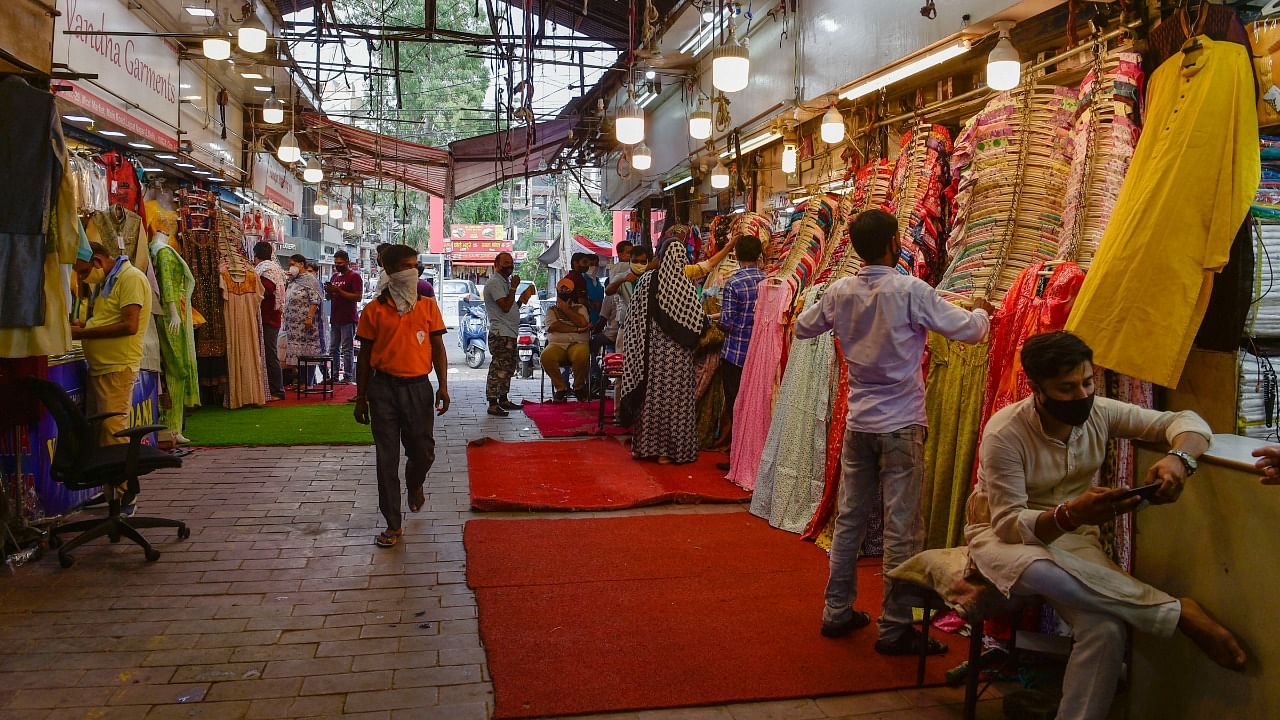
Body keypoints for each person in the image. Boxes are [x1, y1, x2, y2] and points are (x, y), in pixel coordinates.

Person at [966, 331, 1245, 720]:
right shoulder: (1005, 432)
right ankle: (1175, 613)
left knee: (1106, 630)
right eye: (1066, 388)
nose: (1081, 394)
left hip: (1075, 542)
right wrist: (1070, 514)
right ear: (1036, 388)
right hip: (1001, 539)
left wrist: (1179, 459)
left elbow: (1187, 421)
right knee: (1039, 568)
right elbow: (1009, 524)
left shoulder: (1100, 412)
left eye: (1087, 382)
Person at [794, 209, 992, 650]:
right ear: (893, 242)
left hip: (860, 422)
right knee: (902, 527)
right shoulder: (910, 290)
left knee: (849, 521)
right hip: (901, 422)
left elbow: (804, 328)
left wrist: (836, 313)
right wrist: (982, 313)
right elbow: (969, 331)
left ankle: (836, 611)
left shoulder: (842, 291)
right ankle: (896, 625)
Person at [352, 244, 450, 549]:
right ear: (391, 271)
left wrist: (443, 386)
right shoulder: (374, 310)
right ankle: (392, 523)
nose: (413, 271)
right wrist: (360, 397)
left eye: (415, 265)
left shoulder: (428, 306)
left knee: (424, 452)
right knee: (386, 459)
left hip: (418, 388)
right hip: (383, 390)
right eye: (406, 266)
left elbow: (438, 348)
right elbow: (364, 357)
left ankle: (415, 482)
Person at [617, 232, 709, 464]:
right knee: (677, 403)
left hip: (651, 355)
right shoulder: (685, 285)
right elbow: (698, 320)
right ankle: (675, 451)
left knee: (652, 401)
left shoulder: (648, 280)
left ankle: (650, 448)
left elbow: (634, 317)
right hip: (679, 358)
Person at [72, 242, 152, 446]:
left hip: (116, 367)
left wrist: (84, 333)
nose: (81, 278)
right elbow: (107, 319)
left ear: (97, 261)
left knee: (112, 430)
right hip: (102, 368)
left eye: (83, 272)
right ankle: (109, 477)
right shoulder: (108, 282)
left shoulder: (130, 278)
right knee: (101, 431)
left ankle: (120, 479)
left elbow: (129, 325)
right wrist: (84, 325)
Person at [711, 234, 766, 454]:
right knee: (754, 402)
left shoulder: (734, 282)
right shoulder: (767, 280)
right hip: (758, 351)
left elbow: (727, 322)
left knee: (735, 402)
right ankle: (750, 448)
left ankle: (737, 450)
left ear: (737, 255)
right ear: (759, 255)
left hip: (735, 353)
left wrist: (717, 320)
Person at [483, 251, 536, 416]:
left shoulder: (504, 282)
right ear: (496, 265)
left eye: (511, 262)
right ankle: (492, 403)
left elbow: (511, 308)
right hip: (501, 333)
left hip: (510, 332)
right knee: (498, 367)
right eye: (505, 262)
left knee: (508, 368)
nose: (509, 266)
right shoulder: (494, 283)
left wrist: (523, 298)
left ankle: (503, 399)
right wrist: (514, 287)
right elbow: (505, 307)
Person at [541, 278, 592, 402]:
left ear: (572, 291)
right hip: (557, 344)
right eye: (561, 288)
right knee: (546, 357)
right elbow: (554, 326)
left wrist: (566, 310)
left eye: (567, 289)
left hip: (578, 343)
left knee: (582, 353)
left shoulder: (580, 308)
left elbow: (583, 321)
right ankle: (561, 388)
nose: (564, 291)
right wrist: (578, 329)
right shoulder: (551, 310)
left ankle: (578, 387)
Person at [252, 242, 287, 399]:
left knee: (269, 352)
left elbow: (266, 290)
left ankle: (278, 390)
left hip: (269, 318)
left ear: (256, 256)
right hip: (270, 317)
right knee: (268, 352)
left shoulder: (266, 270)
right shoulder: (273, 268)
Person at [325, 250, 363, 383]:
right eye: (335, 263)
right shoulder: (334, 277)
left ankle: (347, 376)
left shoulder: (354, 277)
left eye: (340, 263)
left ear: (347, 262)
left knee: (347, 349)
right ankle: (334, 375)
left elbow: (358, 297)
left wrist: (339, 291)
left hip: (348, 318)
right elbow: (330, 297)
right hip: (335, 317)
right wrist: (329, 292)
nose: (337, 265)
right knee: (333, 348)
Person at [283, 254, 323, 373]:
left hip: (305, 323)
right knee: (296, 353)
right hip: (293, 326)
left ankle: (307, 382)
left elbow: (315, 300)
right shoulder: (293, 280)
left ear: (301, 264)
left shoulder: (310, 279)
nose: (291, 267)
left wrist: (309, 317)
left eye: (293, 264)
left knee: (307, 352)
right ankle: (299, 379)